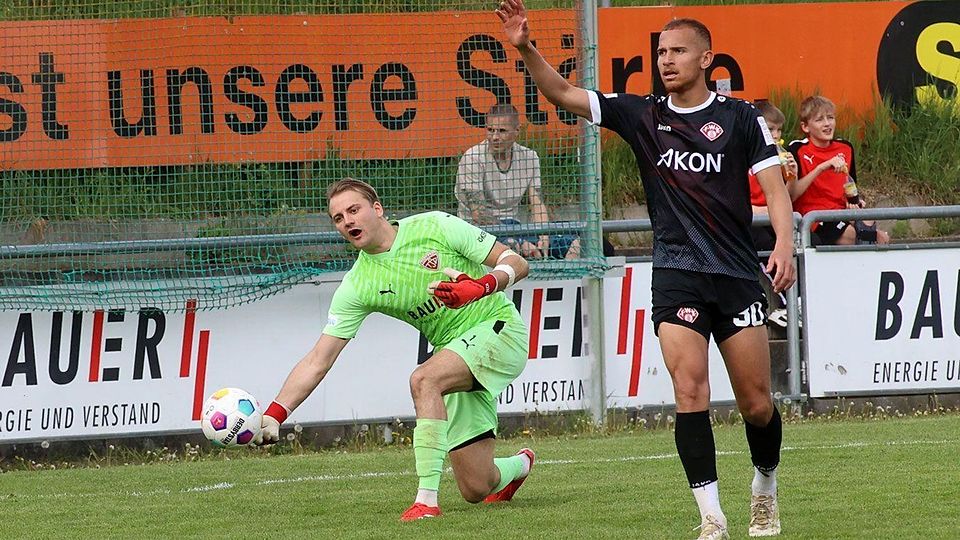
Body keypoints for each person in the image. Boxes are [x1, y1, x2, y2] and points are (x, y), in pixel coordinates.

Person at [498, 2, 796, 538]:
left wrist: (783, 243)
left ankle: (765, 489)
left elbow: (774, 188)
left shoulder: (741, 117)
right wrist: (524, 49)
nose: (666, 60)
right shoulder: (643, 114)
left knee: (756, 404)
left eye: (677, 51)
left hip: (734, 274)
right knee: (690, 392)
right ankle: (711, 517)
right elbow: (565, 94)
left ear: (706, 57)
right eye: (660, 52)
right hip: (676, 273)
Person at [254, 178, 536, 521]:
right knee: (476, 487)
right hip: (457, 353)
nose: (347, 221)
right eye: (339, 218)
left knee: (424, 379)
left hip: (499, 330)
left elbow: (517, 263)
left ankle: (426, 502)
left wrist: (481, 287)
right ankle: (520, 465)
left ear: (377, 209)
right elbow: (318, 360)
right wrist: (275, 413)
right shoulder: (358, 284)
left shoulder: (436, 225)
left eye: (353, 210)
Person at [456, 103, 580, 260]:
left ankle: (563, 279)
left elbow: (537, 204)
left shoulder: (530, 157)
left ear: (516, 132)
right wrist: (520, 241)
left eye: (502, 131)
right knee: (511, 246)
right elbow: (478, 213)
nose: (494, 137)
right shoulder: (472, 158)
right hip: (477, 232)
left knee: (575, 242)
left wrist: (543, 238)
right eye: (490, 130)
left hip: (515, 227)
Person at [787, 95, 890, 246]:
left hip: (843, 212)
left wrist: (854, 201)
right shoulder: (797, 149)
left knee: (879, 234)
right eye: (819, 120)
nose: (827, 124)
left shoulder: (845, 147)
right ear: (805, 127)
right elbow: (792, 195)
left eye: (830, 117)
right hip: (815, 216)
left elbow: (851, 184)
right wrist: (821, 167)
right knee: (854, 236)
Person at [749, 101, 798, 329]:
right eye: (770, 129)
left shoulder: (777, 156)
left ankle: (797, 303)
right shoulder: (741, 154)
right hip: (752, 221)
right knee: (766, 245)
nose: (776, 135)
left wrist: (792, 177)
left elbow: (785, 198)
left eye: (779, 130)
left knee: (802, 243)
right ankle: (782, 305)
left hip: (772, 217)